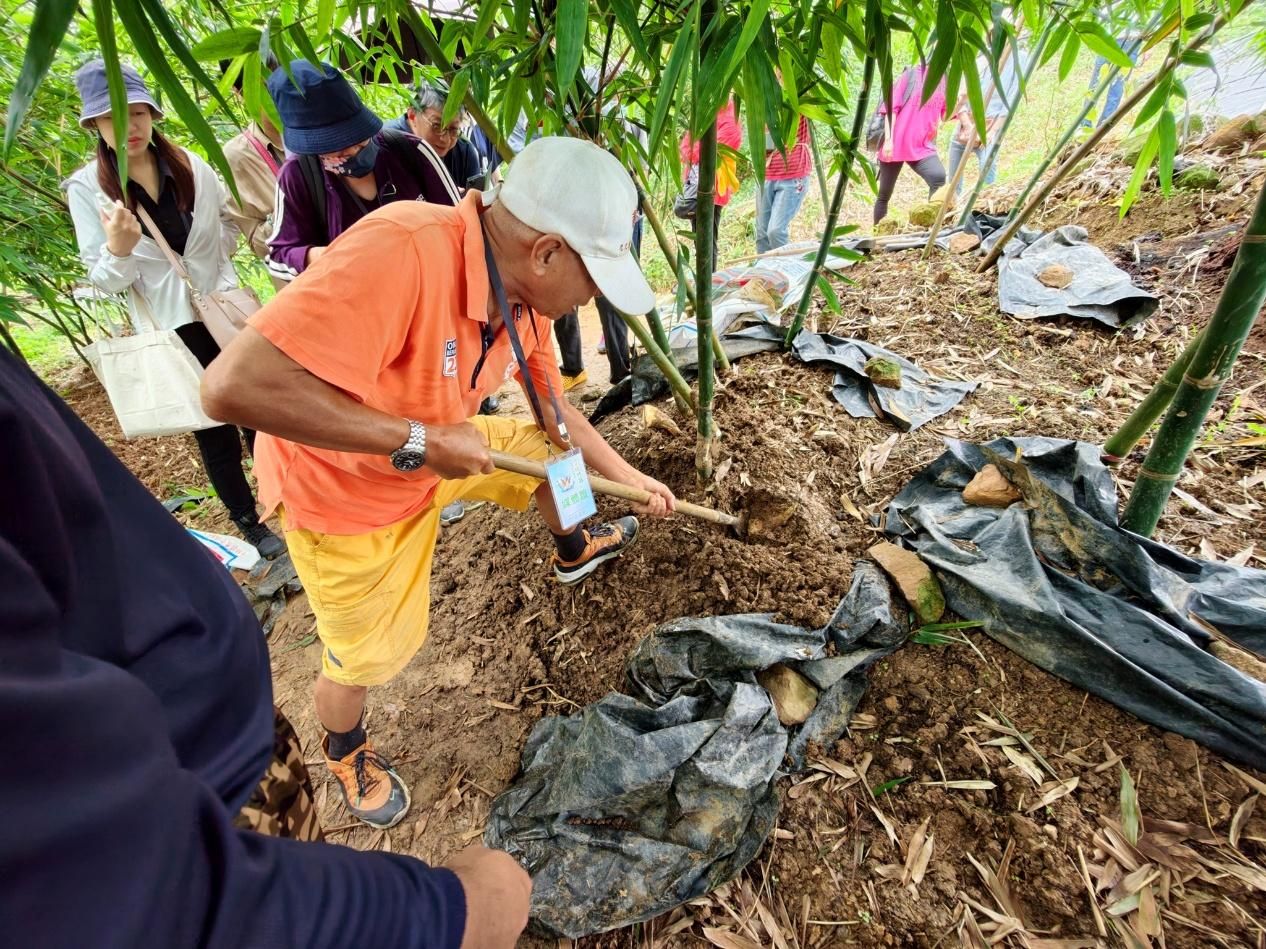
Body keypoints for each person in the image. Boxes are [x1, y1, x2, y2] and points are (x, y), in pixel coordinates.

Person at [200, 136, 678, 830]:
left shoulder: (523, 299)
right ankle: (346, 747)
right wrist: (418, 440)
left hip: (435, 447)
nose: (596, 296)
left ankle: (573, 543)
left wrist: (631, 478)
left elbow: (556, 408)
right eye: (597, 277)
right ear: (546, 252)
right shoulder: (402, 251)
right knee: (370, 652)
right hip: (344, 492)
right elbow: (231, 386)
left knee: (552, 453)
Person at [0, 344, 531, 949]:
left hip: (233, 744)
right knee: (362, 656)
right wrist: (439, 917)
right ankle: (346, 746)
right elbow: (125, 889)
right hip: (199, 792)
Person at [64, 60, 284, 559]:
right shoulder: (87, 190)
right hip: (174, 325)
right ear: (95, 126)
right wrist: (119, 248)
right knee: (213, 430)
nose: (130, 127)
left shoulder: (193, 168)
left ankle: (283, 496)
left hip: (224, 311)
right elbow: (101, 283)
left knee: (261, 411)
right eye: (112, 117)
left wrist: (215, 264)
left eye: (137, 112)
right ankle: (252, 526)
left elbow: (227, 224)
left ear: (153, 113)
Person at [263, 60, 459, 283]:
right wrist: (320, 256)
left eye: (359, 138)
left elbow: (460, 223)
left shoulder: (411, 151)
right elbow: (279, 256)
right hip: (363, 305)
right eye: (336, 145)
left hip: (434, 291)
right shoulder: (298, 177)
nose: (353, 149)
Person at [220, 69, 286, 271]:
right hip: (308, 280)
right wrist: (286, 212)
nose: (277, 94)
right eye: (263, 87)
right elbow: (258, 244)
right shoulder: (238, 156)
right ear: (239, 93)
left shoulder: (321, 126)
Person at [872, 63, 948, 224]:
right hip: (896, 144)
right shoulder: (912, 75)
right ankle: (877, 234)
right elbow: (891, 108)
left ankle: (932, 226)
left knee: (938, 178)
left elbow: (945, 115)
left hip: (922, 145)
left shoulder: (944, 79)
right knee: (884, 194)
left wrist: (961, 100)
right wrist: (888, 140)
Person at [385, 81, 486, 192]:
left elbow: (477, 203)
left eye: (453, 129)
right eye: (437, 126)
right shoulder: (385, 145)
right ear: (412, 116)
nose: (445, 139)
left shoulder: (464, 152)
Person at [680, 99, 743, 271]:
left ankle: (708, 284)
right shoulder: (705, 113)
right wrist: (694, 151)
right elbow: (685, 148)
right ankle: (704, 282)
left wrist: (695, 149)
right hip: (695, 185)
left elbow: (712, 153)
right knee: (699, 239)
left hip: (714, 189)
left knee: (707, 240)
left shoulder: (731, 120)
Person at [756, 115, 813, 253]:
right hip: (766, 175)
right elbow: (764, 144)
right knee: (762, 234)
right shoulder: (764, 103)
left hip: (792, 176)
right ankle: (765, 272)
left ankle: (787, 268)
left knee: (775, 231)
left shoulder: (799, 101)